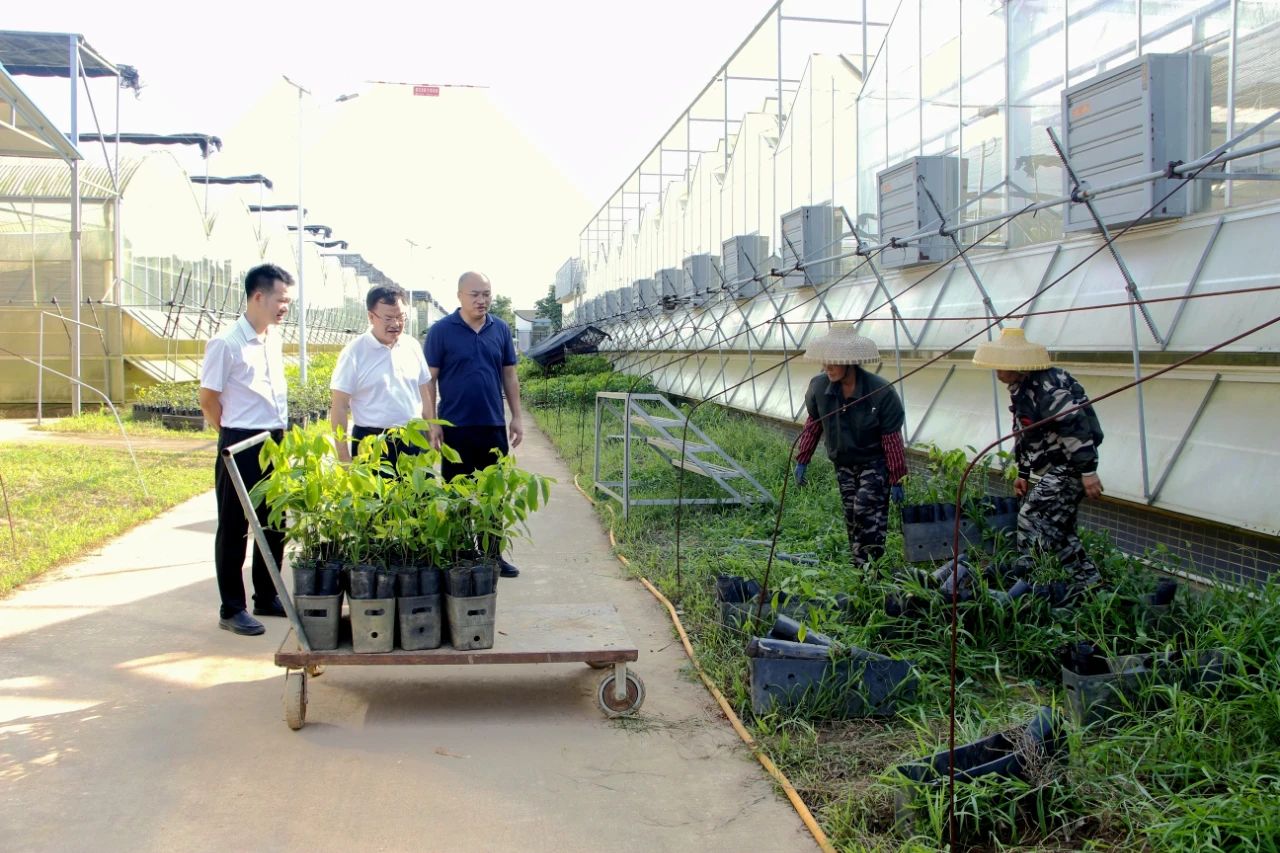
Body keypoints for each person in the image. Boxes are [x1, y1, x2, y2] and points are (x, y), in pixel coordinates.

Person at [198, 263, 294, 636]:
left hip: (274, 440)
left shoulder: (271, 337)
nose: (285, 307)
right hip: (240, 441)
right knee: (236, 526)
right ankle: (231, 607)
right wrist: (230, 435)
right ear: (258, 296)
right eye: (281, 300)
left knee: (274, 522)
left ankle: (266, 595)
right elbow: (208, 399)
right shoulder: (227, 343)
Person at [973, 327, 1104, 591]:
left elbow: (1074, 425)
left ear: (1018, 364)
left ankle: (1028, 582)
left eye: (1002, 366)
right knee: (1061, 532)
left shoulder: (1048, 386)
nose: (998, 371)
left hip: (1071, 465)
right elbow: (1024, 432)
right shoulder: (1022, 387)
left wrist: (1088, 471)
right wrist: (1023, 472)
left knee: (1030, 517)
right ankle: (1090, 586)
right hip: (1059, 465)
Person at [424, 271, 524, 578]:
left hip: (492, 424)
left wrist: (516, 416)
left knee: (493, 494)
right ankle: (460, 554)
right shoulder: (441, 331)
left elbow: (509, 375)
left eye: (486, 294)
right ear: (459, 296)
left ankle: (493, 555)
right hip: (455, 426)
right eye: (475, 295)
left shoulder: (501, 329)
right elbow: (429, 379)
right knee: (457, 493)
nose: (482, 300)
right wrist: (432, 422)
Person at [793, 325, 907, 566]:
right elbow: (814, 425)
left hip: (874, 464)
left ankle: (870, 566)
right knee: (852, 517)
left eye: (833, 361)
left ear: (849, 361)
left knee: (866, 510)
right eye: (826, 361)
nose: (828, 367)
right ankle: (863, 567)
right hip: (843, 464)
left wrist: (897, 477)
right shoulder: (819, 389)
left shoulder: (880, 392)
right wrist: (803, 458)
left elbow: (892, 439)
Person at [330, 283, 435, 468]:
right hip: (372, 444)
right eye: (388, 318)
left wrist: (431, 427)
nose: (396, 324)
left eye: (401, 317)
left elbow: (423, 391)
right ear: (371, 316)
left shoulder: (412, 346)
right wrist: (343, 457)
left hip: (413, 439)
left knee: (419, 494)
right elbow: (339, 406)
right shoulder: (354, 353)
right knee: (375, 496)